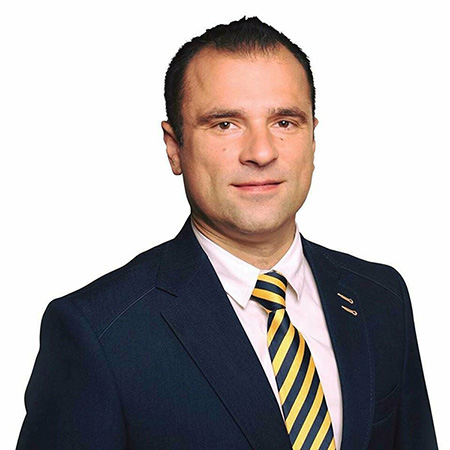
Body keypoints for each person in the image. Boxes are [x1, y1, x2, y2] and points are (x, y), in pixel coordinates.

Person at [16, 17, 437, 450]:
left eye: (285, 122)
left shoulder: (380, 296)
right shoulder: (99, 333)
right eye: (225, 124)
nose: (261, 152)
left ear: (313, 138)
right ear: (174, 147)